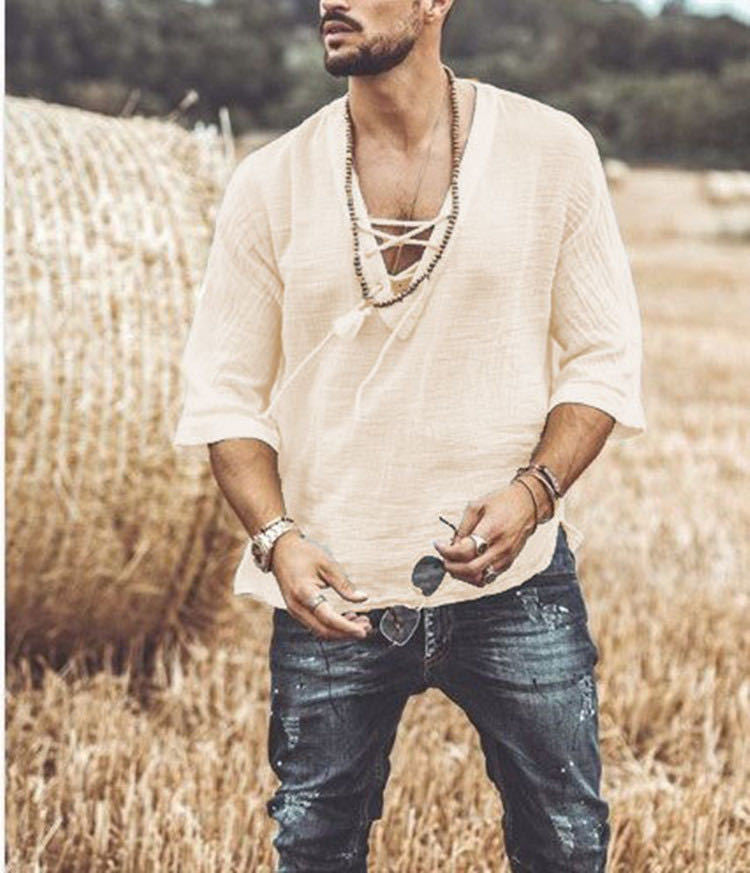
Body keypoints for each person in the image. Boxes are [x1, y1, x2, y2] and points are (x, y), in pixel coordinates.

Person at [172, 1, 647, 869]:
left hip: (518, 588)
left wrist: (534, 493)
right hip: (335, 595)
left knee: (568, 846)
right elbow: (224, 396)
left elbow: (604, 358)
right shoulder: (268, 182)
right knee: (313, 848)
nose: (331, 2)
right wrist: (276, 539)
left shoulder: (553, 152)